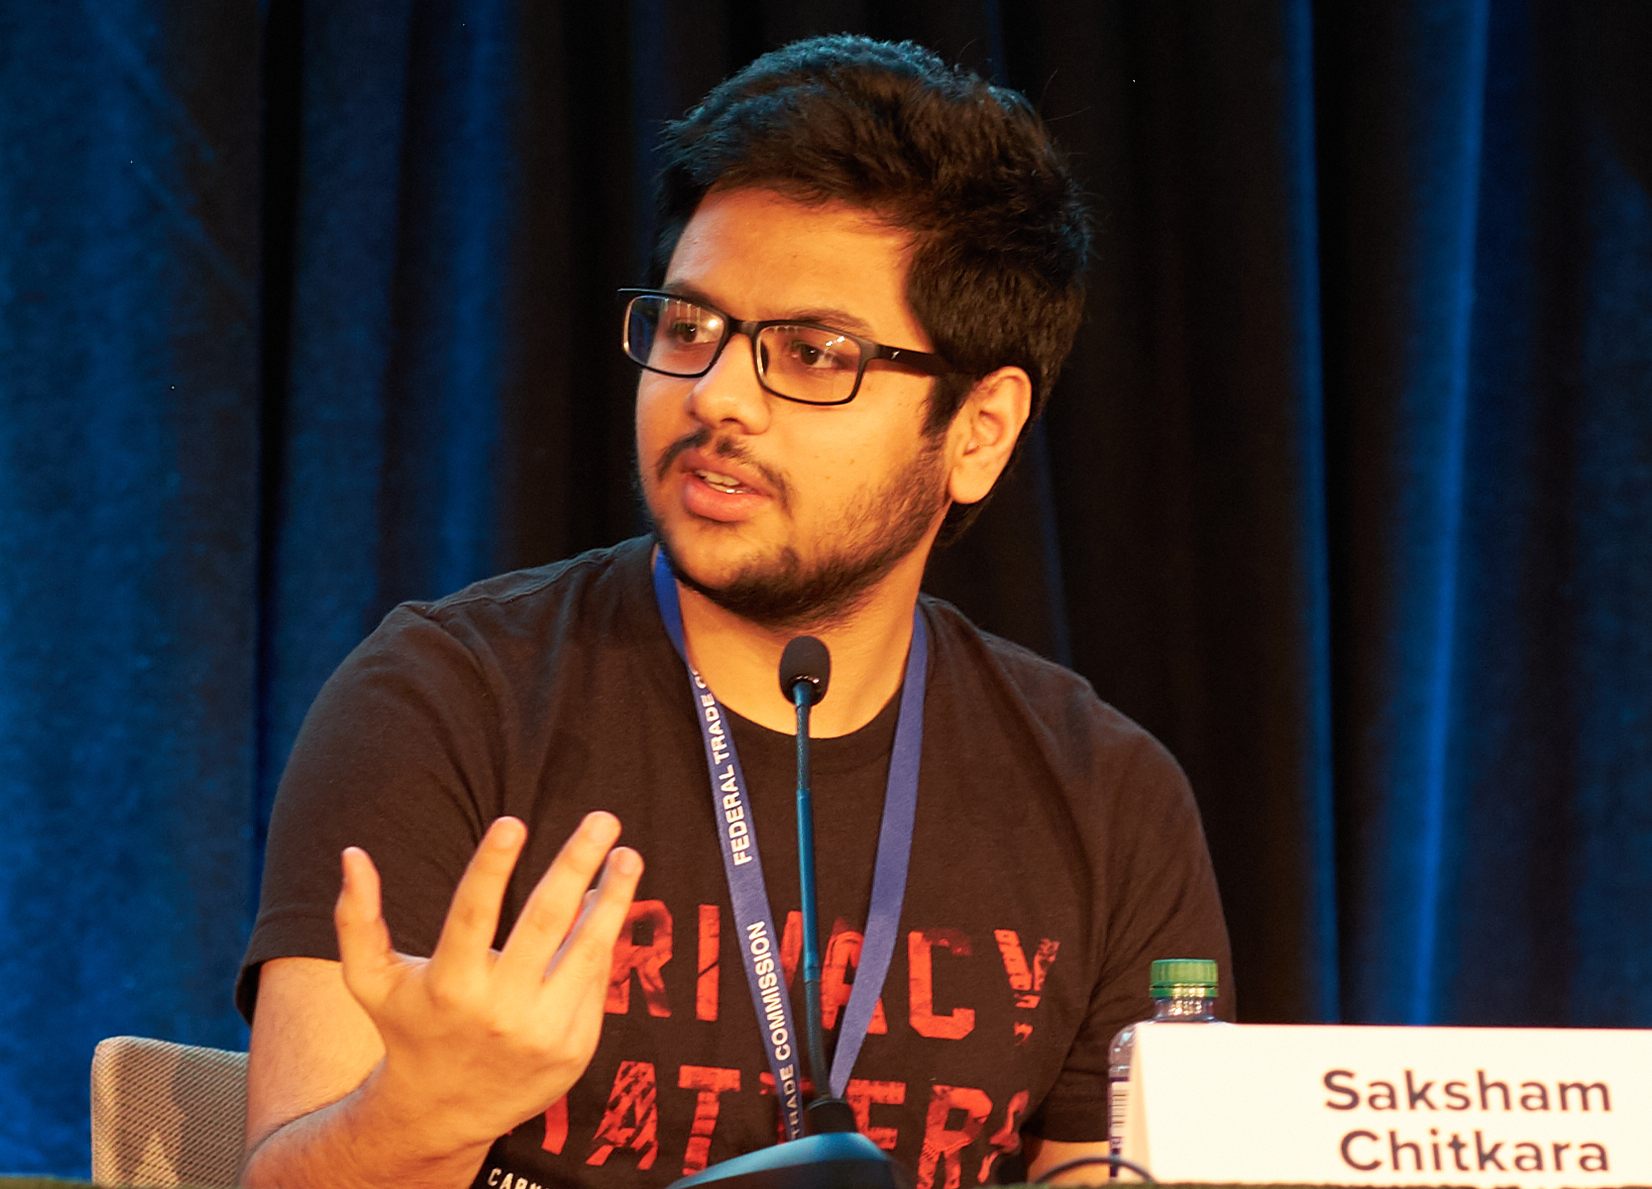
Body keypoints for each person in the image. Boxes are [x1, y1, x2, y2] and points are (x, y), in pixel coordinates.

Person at [237, 33, 1233, 1189]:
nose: (715, 397)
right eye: (688, 326)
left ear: (977, 431)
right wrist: (424, 1116)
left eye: (812, 354)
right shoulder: (444, 701)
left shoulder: (1110, 802)